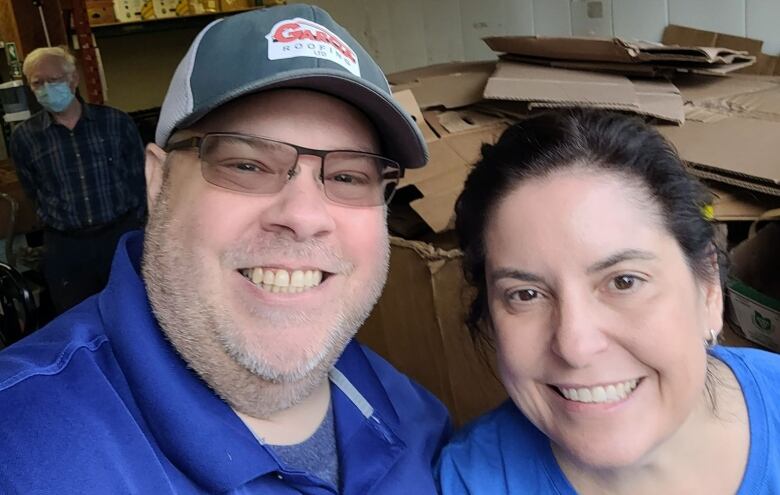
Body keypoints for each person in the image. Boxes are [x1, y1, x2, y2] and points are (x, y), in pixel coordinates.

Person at [0, 5, 449, 493]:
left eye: (348, 176)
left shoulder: (422, 425)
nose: (303, 217)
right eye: (247, 165)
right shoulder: (21, 449)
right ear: (157, 182)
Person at [436, 110, 780, 494]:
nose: (575, 346)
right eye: (526, 294)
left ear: (709, 291)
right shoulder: (470, 480)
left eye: (624, 281)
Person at [9, 46, 146, 313]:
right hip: (66, 248)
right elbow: (32, 188)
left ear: (73, 80)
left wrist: (136, 227)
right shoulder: (24, 138)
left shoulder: (115, 123)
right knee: (78, 320)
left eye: (55, 80)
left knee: (132, 311)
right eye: (38, 82)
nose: (47, 88)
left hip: (118, 236)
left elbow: (139, 177)